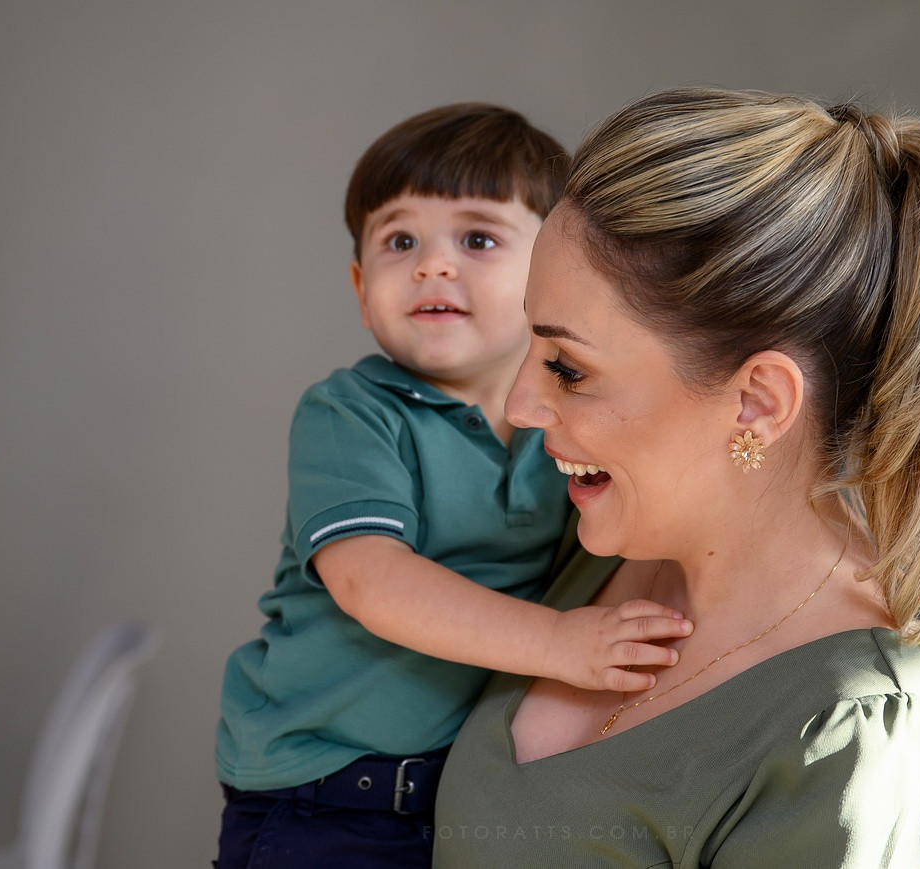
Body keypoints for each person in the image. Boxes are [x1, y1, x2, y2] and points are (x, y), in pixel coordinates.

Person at [432, 86, 920, 867]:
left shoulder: (857, 740)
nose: (519, 405)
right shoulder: (590, 533)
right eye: (528, 345)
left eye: (568, 367)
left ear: (757, 401)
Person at [213, 103, 691, 869]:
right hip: (324, 792)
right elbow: (371, 580)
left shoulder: (568, 425)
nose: (433, 265)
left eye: (477, 238)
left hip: (459, 790)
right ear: (361, 287)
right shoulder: (352, 412)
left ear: (555, 276)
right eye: (400, 241)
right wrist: (559, 643)